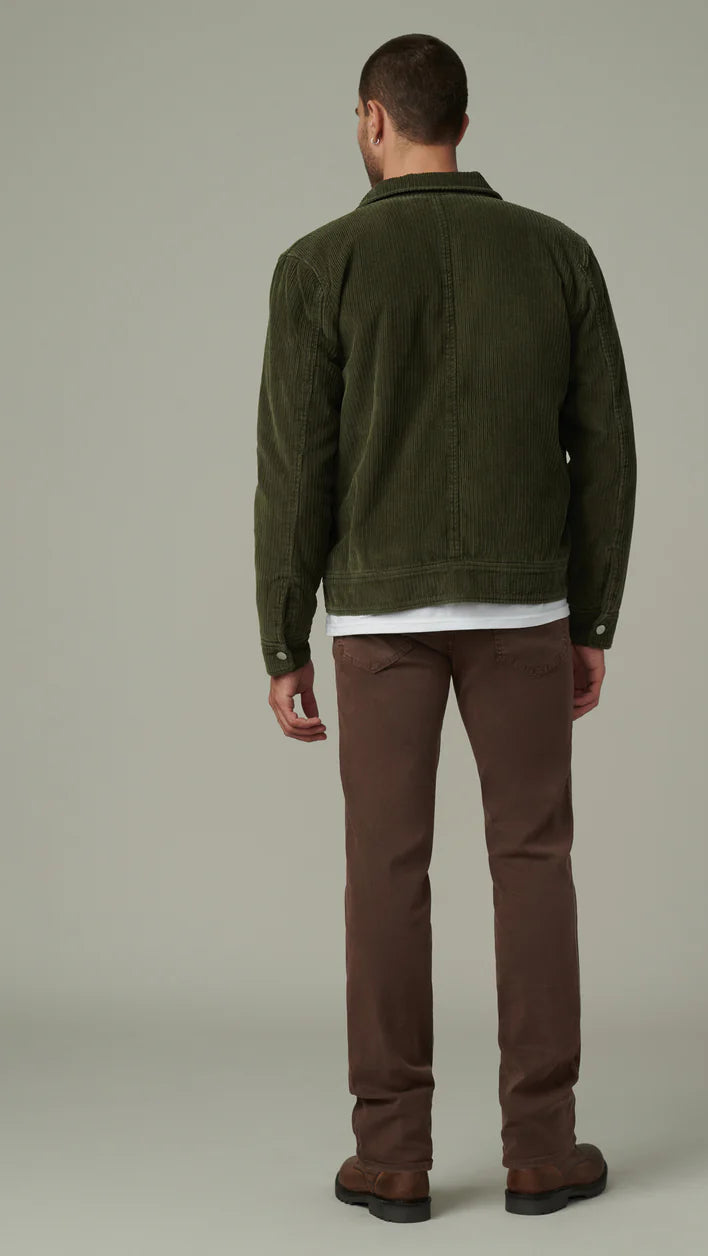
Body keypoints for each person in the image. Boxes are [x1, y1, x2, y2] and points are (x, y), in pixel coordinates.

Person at [253, 32, 637, 1223]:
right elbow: (607, 451)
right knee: (534, 861)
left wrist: (282, 634)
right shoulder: (558, 254)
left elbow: (294, 472)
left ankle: (393, 1155)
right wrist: (593, 613)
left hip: (379, 615)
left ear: (375, 118)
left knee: (384, 870)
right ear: (460, 121)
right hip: (527, 605)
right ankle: (542, 1147)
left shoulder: (318, 265)